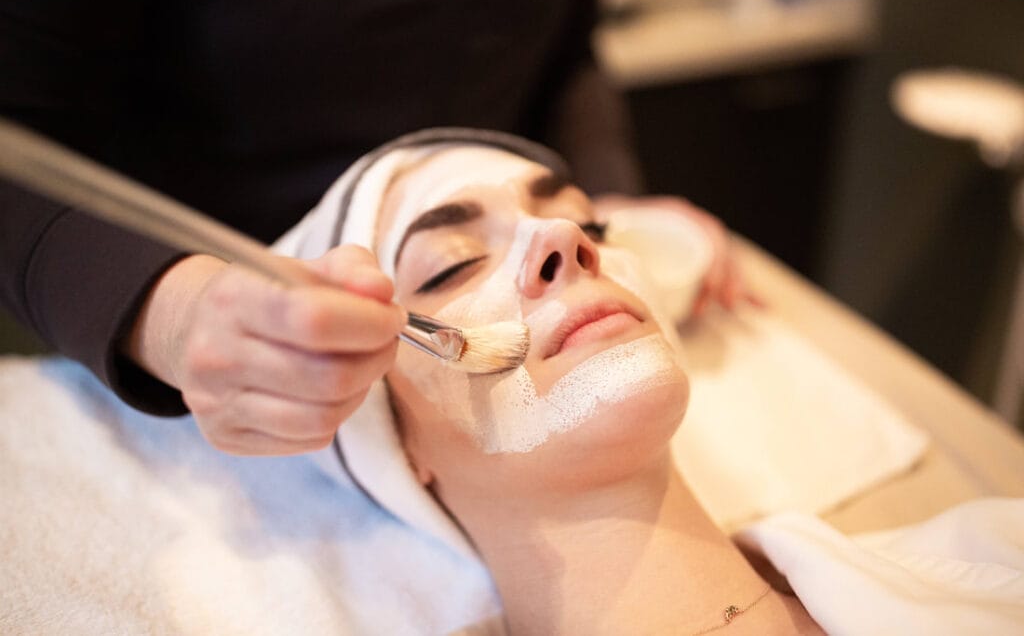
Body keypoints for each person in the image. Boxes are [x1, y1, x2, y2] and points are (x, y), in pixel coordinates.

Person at [277, 129, 1024, 635]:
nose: (565, 237)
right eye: (452, 264)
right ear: (400, 453)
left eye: (590, 225)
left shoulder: (995, 556)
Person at [0, 0, 745, 456]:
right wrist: (167, 312)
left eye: (574, 223)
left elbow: (567, 51)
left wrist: (602, 190)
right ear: (409, 472)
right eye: (454, 265)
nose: (563, 237)